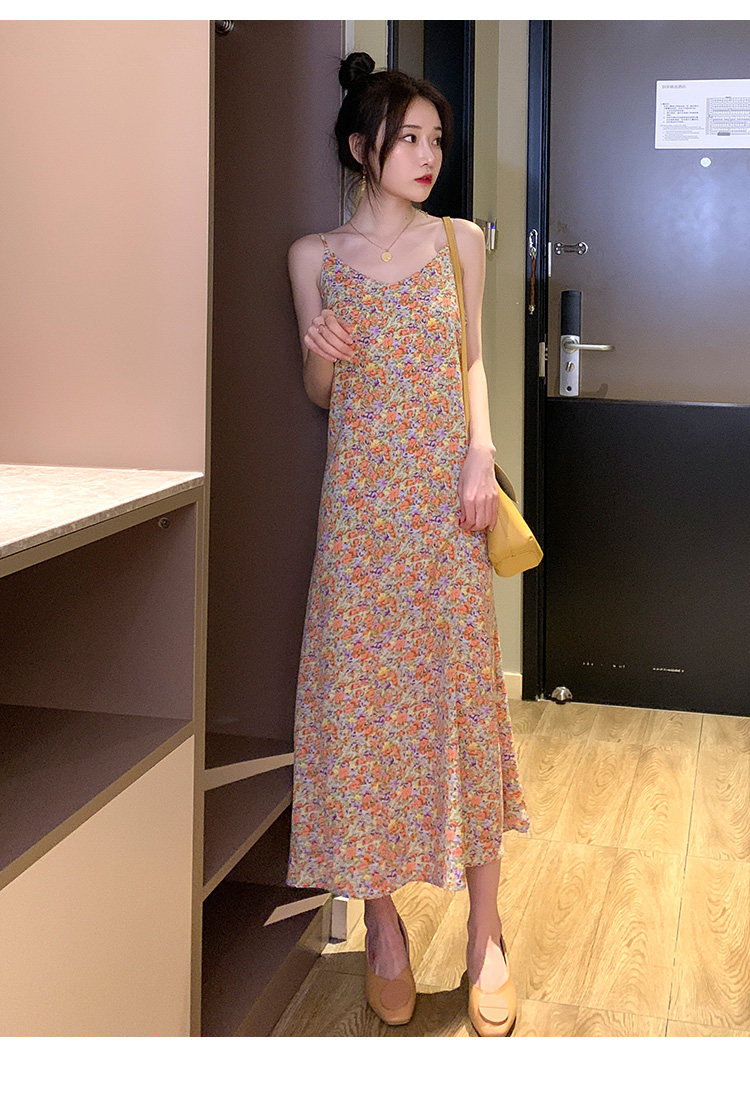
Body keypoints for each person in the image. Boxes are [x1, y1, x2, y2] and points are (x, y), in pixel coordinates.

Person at [285, 51, 531, 1036]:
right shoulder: (314, 257)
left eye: (436, 139)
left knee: (463, 703)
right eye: (409, 139)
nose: (429, 155)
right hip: (357, 517)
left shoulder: (459, 241)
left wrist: (483, 451)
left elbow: (471, 362)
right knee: (361, 715)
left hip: (442, 508)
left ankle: (485, 935)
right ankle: (382, 926)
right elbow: (320, 395)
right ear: (362, 147)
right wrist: (319, 353)